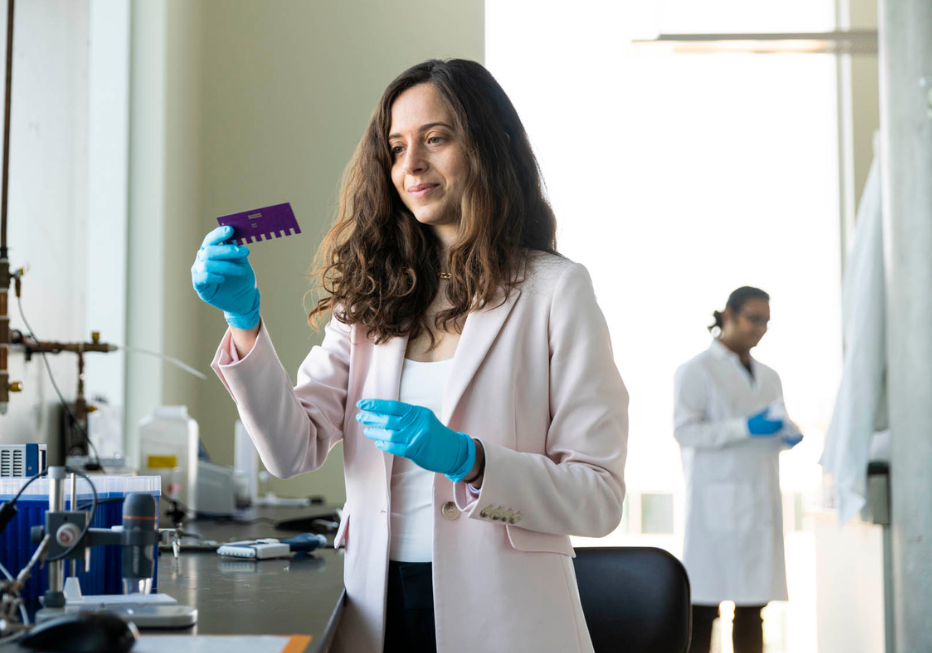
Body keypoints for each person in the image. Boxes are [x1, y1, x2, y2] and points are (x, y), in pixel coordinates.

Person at [191, 59, 628, 653]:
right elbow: (292, 450)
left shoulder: (556, 291)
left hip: (507, 619)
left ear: (488, 147)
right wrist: (244, 324)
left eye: (436, 139)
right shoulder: (370, 297)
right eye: (396, 148)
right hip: (377, 609)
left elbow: (598, 496)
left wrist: (471, 461)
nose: (411, 165)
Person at [673, 287, 803, 653]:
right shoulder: (696, 370)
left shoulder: (769, 375)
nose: (760, 328)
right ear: (728, 314)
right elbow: (684, 430)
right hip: (715, 507)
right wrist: (744, 427)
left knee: (752, 610)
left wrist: (786, 433)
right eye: (754, 318)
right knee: (702, 610)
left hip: (759, 502)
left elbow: (773, 423)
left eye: (766, 321)